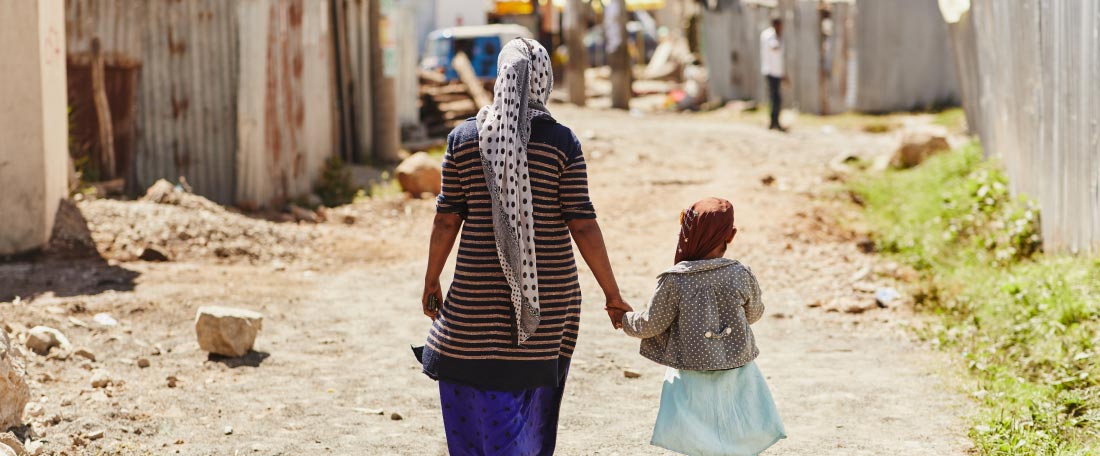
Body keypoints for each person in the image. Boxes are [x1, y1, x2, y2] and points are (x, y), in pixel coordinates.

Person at [417, 37, 632, 456]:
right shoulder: (561, 143)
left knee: (467, 374)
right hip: (549, 301)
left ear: (501, 77)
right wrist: (612, 293)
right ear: (544, 80)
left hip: (472, 300)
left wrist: (432, 278)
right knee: (532, 396)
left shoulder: (463, 140)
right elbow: (582, 224)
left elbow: (446, 217)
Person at [610, 198, 786, 456]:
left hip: (690, 371)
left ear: (685, 233)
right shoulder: (741, 273)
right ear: (731, 235)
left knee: (698, 437)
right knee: (735, 428)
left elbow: (651, 324)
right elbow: (754, 313)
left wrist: (623, 319)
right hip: (737, 365)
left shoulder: (674, 280)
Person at [760, 17, 787, 132]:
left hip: (777, 72)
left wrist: (783, 73)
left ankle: (775, 122)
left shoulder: (778, 36)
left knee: (776, 98)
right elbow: (774, 47)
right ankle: (773, 122)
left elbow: (779, 58)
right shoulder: (768, 36)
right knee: (775, 98)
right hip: (770, 71)